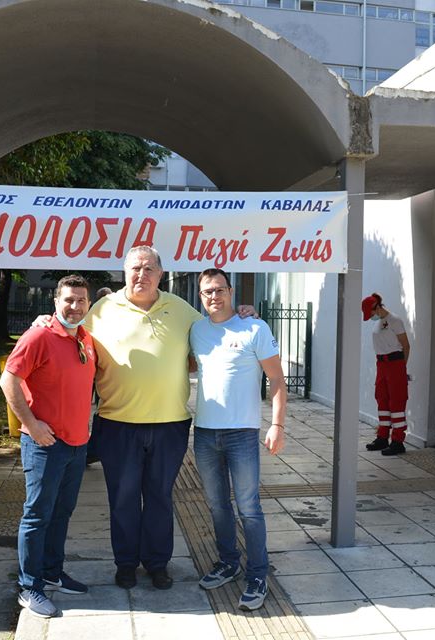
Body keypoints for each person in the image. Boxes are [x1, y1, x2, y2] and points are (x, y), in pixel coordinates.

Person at [32, 246, 256, 590]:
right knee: (122, 499)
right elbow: (67, 329)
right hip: (117, 424)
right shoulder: (102, 309)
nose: (142, 274)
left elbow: (217, 329)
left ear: (161, 274)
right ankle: (125, 564)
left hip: (170, 424)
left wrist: (243, 315)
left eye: (149, 268)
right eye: (135, 268)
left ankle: (157, 563)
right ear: (124, 272)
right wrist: (45, 321)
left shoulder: (181, 309)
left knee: (160, 497)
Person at [0, 274, 97, 618]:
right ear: (56, 302)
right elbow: (8, 380)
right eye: (68, 299)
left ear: (88, 304)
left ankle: (52, 572)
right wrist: (30, 424)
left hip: (76, 444)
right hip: (45, 445)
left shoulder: (85, 338)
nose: (75, 306)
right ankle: (29, 586)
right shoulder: (38, 335)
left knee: (61, 512)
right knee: (37, 515)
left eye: (81, 300)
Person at [190, 268, 287, 612]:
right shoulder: (196, 330)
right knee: (217, 505)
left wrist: (277, 425)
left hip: (242, 434)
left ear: (231, 291)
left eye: (219, 289)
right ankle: (228, 562)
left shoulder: (255, 328)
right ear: (200, 296)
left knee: (249, 508)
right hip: (205, 433)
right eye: (207, 291)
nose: (214, 296)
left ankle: (257, 575)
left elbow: (277, 379)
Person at [361, 293, 411, 456]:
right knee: (381, 399)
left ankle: (398, 441)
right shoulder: (378, 323)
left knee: (397, 401)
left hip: (395, 363)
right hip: (381, 364)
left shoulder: (395, 320)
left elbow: (406, 346)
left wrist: (401, 368)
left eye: (370, 313)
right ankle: (382, 437)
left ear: (376, 307)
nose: (371, 317)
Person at [85, 286, 116, 466]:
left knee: (102, 410)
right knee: (89, 411)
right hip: (90, 373)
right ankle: (88, 450)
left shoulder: (118, 318)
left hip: (104, 374)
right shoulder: (91, 318)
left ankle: (93, 450)